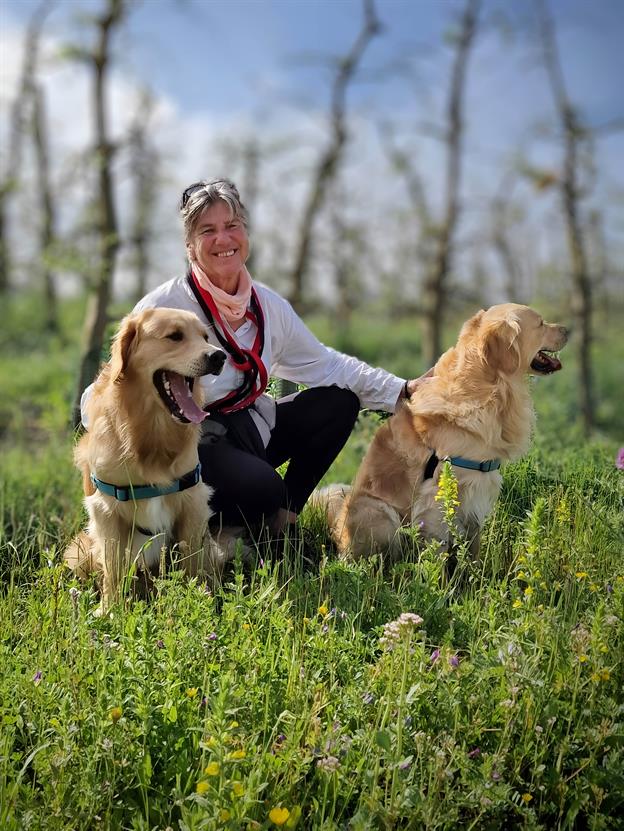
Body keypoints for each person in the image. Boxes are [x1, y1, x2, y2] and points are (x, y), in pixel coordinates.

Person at [83, 178, 430, 549]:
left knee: (337, 402)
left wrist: (403, 389)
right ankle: (216, 531)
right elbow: (114, 380)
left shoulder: (267, 305)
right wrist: (101, 442)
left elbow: (327, 365)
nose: (223, 239)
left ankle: (282, 522)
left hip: (251, 426)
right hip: (192, 440)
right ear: (190, 246)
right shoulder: (165, 305)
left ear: (245, 234)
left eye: (232, 226)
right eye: (208, 231)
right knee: (263, 488)